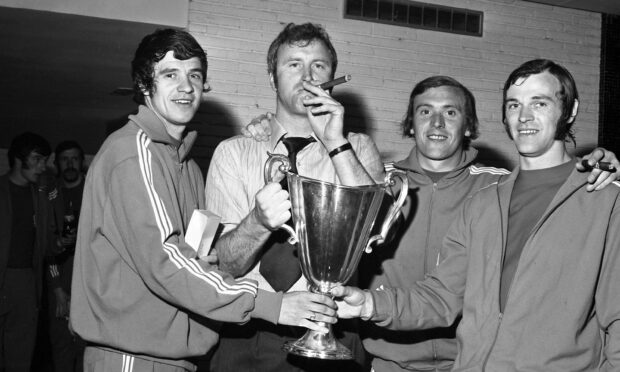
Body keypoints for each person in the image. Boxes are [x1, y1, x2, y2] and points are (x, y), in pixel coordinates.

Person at [243, 74, 619, 371]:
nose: (524, 116)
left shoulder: (587, 191)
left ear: (569, 110)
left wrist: (604, 167)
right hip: (405, 359)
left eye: (540, 103)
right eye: (514, 104)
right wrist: (369, 305)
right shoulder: (481, 201)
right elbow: (441, 295)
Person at [70, 28, 337, 372]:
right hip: (134, 357)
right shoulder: (132, 152)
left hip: (179, 358)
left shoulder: (187, 166)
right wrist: (272, 305)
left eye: (194, 75)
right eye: (170, 75)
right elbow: (166, 263)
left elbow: (200, 259)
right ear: (142, 84)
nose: (186, 87)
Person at [205, 22, 384, 371]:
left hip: (333, 332)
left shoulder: (358, 147)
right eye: (294, 64)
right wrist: (257, 222)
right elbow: (223, 267)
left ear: (331, 78)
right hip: (247, 330)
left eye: (319, 66)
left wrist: (335, 143)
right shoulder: (233, 152)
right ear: (273, 78)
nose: (307, 76)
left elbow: (374, 232)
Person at [0, 132, 56, 372]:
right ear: (17, 159)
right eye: (37, 159)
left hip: (25, 280)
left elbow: (45, 244)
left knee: (21, 350)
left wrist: (59, 243)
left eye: (45, 160)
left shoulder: (40, 195)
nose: (42, 166)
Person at [46, 140, 86, 372]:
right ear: (57, 163)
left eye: (74, 158)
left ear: (81, 162)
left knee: (86, 347)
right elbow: (45, 248)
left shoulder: (94, 189)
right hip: (59, 282)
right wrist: (59, 290)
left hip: (89, 284)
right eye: (64, 159)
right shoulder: (50, 195)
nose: (70, 164)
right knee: (60, 346)